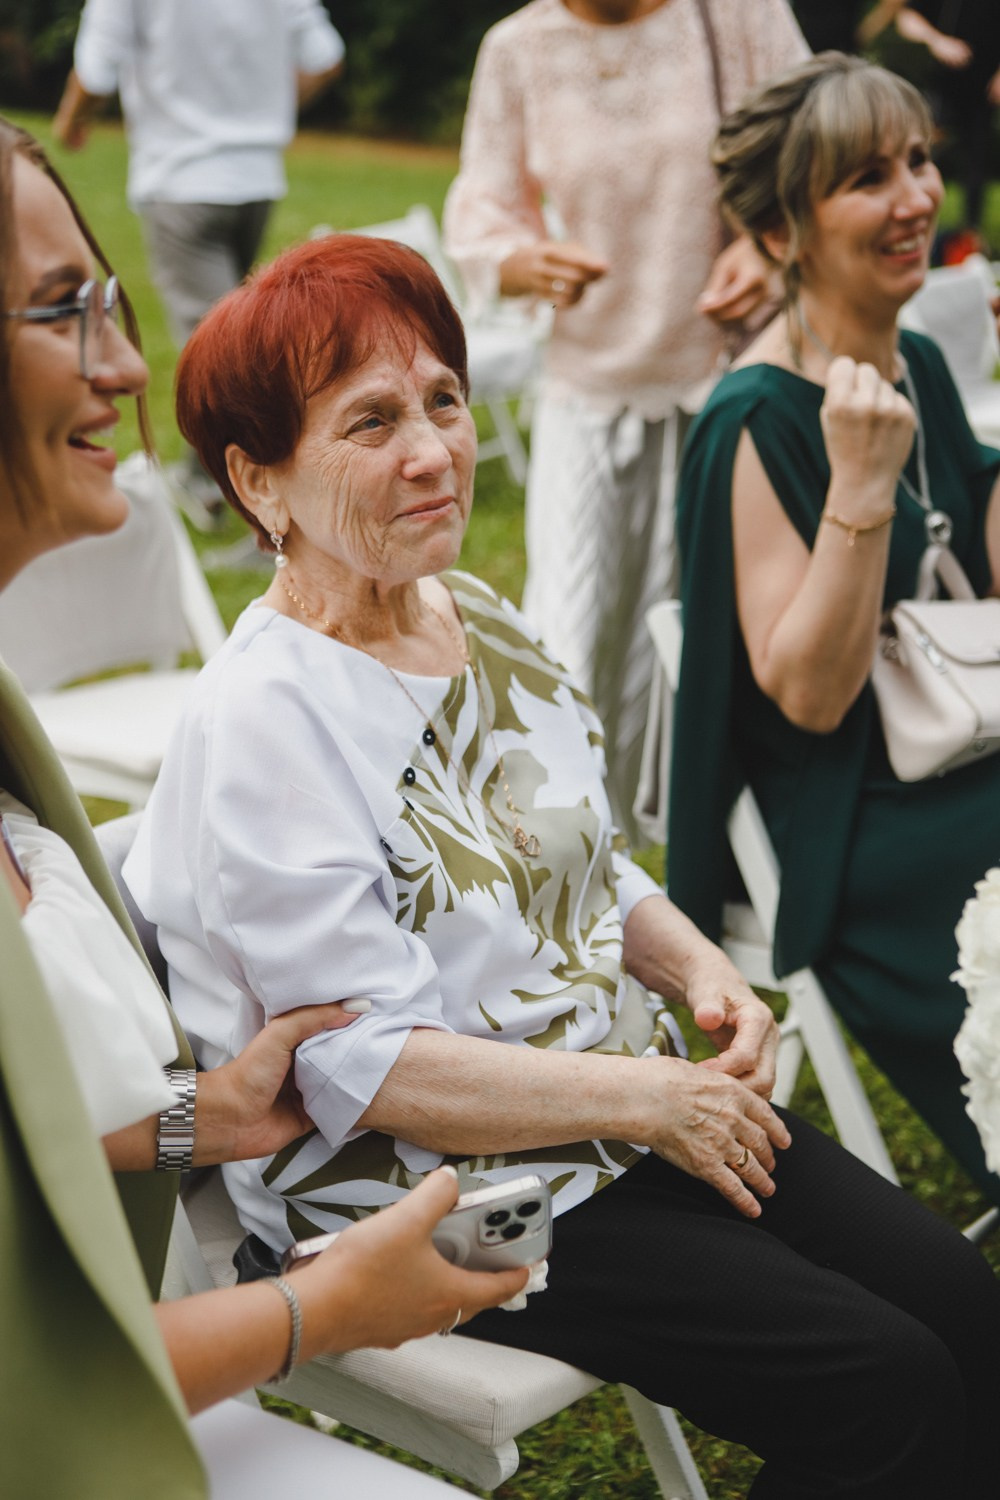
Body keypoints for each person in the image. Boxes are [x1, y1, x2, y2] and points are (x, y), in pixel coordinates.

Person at [125, 228, 1000, 1498]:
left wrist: (703, 973)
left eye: (442, 399)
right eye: (371, 424)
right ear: (260, 485)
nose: (432, 450)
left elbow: (585, 870)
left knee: (961, 1305)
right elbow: (362, 1066)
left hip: (610, 1112)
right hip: (426, 1198)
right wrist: (650, 1099)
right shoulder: (267, 716)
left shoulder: (471, 613)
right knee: (884, 1383)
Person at [0, 116, 531, 1499]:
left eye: (112, 306)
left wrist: (203, 1123)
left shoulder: (6, 732)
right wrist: (323, 1309)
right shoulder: (262, 705)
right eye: (64, 312)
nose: (124, 365)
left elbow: (34, 1133)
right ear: (263, 488)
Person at [668, 54, 1000, 1210]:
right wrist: (859, 485)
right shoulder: (751, 419)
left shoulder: (914, 358)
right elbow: (806, 695)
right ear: (780, 229)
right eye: (867, 177)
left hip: (960, 751)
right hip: (855, 815)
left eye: (917, 161)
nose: (914, 198)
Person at [442, 0, 809, 840]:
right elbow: (484, 205)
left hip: (727, 383)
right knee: (564, 630)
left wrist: (767, 244)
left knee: (688, 628)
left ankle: (670, 839)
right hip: (587, 378)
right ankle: (548, 851)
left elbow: (818, 148)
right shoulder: (518, 48)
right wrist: (522, 261)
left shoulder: (739, 18)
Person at [52, 0, 345, 508]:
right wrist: (267, 113)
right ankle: (205, 476)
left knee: (224, 355)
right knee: (238, 336)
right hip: (256, 177)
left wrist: (68, 122)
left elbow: (97, 68)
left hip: (180, 178)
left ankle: (266, 499)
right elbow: (326, 55)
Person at [893, 1, 1000, 247]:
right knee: (924, 157)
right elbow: (907, 18)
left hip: (982, 93)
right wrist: (937, 40)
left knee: (976, 164)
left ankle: (970, 235)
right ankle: (911, 222)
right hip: (942, 89)